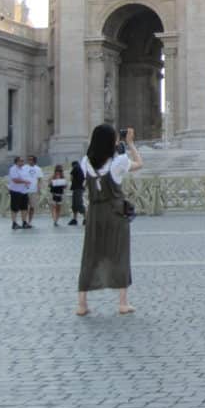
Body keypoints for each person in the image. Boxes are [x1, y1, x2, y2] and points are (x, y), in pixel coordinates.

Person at [76, 125, 142, 316]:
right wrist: (130, 143)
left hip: (94, 213)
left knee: (90, 255)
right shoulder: (119, 161)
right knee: (119, 254)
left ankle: (81, 304)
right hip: (115, 213)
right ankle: (123, 303)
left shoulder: (85, 162)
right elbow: (139, 164)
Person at [8, 156, 31, 230]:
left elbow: (26, 178)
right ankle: (14, 223)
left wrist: (27, 183)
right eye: (21, 161)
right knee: (14, 208)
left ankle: (24, 222)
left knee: (24, 207)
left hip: (24, 191)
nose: (22, 162)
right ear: (16, 162)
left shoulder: (23, 169)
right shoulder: (13, 169)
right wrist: (25, 181)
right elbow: (15, 180)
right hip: (15, 191)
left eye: (23, 161)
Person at [25, 156, 44, 226]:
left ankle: (30, 221)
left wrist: (39, 189)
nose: (30, 161)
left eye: (31, 160)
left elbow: (39, 180)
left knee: (32, 207)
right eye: (29, 159)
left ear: (34, 161)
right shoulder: (24, 168)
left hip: (34, 190)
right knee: (25, 206)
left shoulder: (38, 169)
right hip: (25, 190)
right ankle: (25, 220)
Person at [69, 160, 86, 226]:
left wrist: (73, 181)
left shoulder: (75, 168)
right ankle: (75, 219)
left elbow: (71, 177)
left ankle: (85, 218)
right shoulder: (81, 169)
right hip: (80, 188)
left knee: (78, 204)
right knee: (75, 204)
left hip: (77, 189)